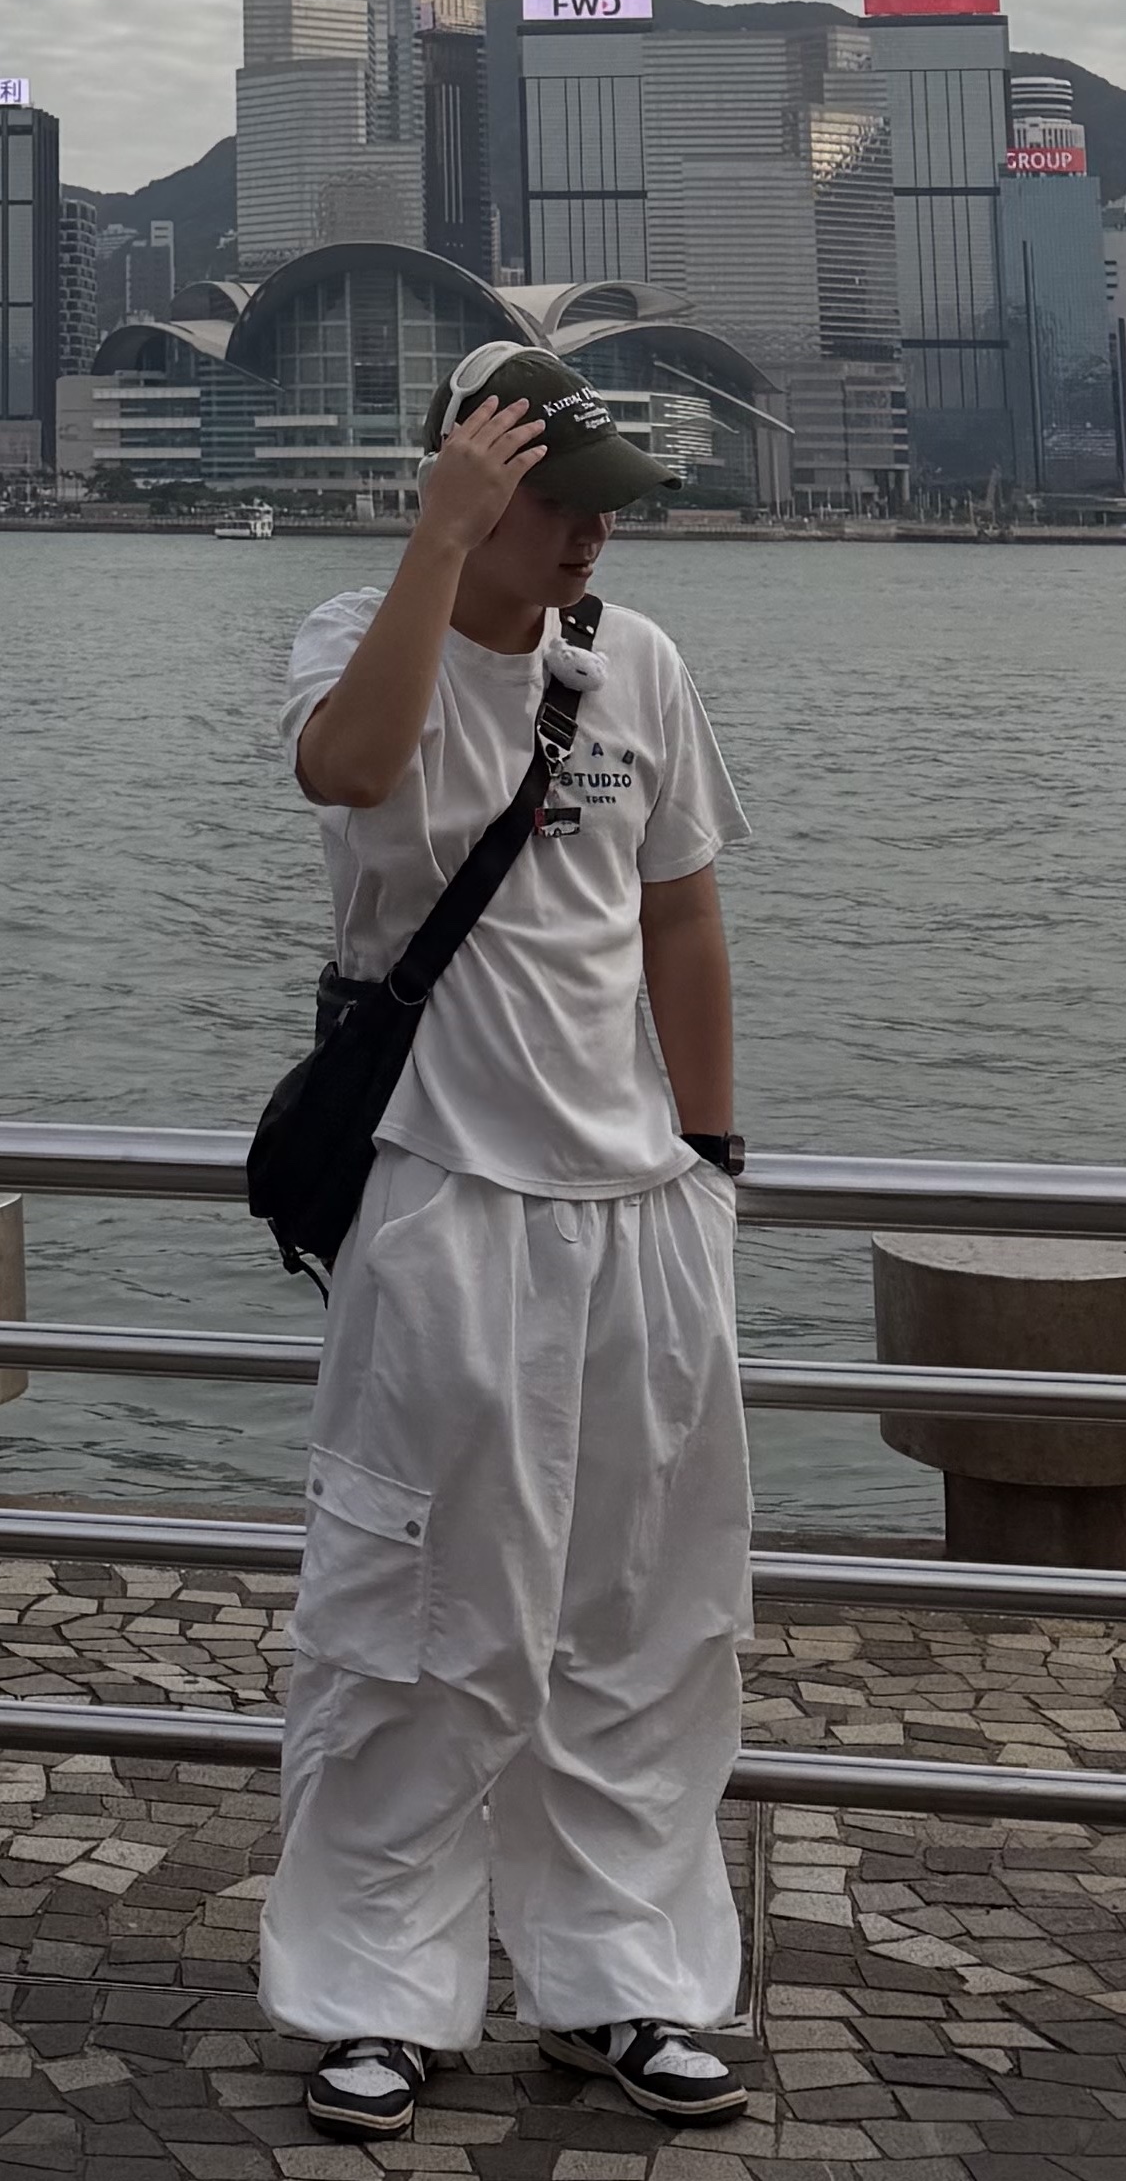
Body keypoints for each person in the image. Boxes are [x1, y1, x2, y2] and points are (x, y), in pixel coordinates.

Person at [259, 343, 754, 2138]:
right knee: (407, 1608)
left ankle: (622, 1973)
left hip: (635, 1202)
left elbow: (682, 910)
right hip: (442, 1186)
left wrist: (708, 1152)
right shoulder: (356, 633)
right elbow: (351, 764)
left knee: (641, 1607)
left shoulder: (639, 662)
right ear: (473, 478)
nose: (591, 530)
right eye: (558, 494)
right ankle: (372, 1987)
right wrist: (436, 542)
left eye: (605, 501)